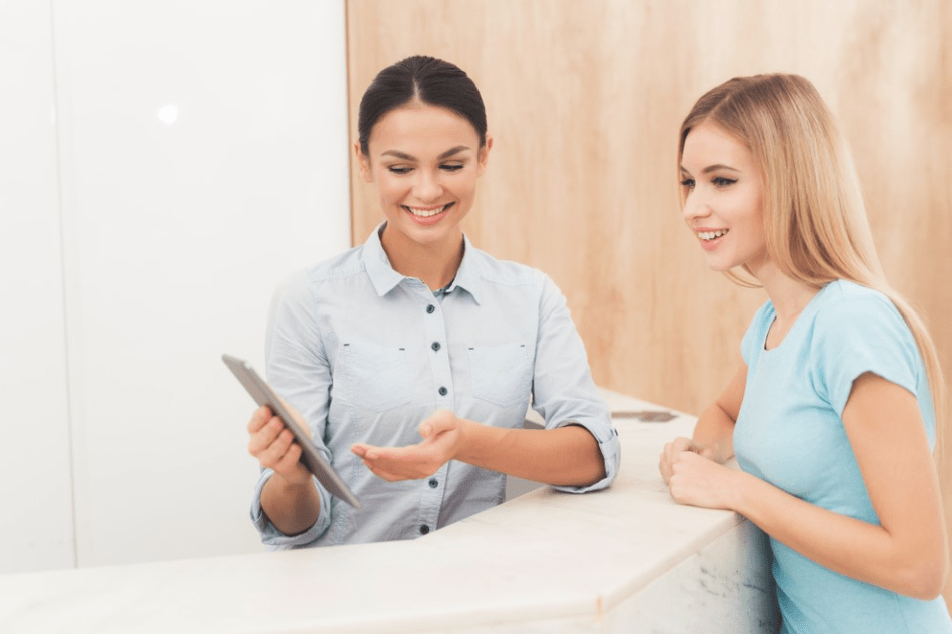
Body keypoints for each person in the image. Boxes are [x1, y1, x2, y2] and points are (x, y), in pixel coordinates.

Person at [245, 55, 620, 548]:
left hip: (480, 594)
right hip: (351, 600)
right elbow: (294, 526)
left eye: (452, 164)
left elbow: (594, 456)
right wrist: (293, 479)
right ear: (363, 160)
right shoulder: (309, 300)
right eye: (400, 167)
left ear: (484, 155)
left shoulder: (530, 298)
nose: (426, 189)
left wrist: (466, 443)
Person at [658, 73, 951, 633]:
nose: (695, 206)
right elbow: (725, 413)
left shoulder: (851, 324)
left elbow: (920, 565)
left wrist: (737, 489)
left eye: (722, 181)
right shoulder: (773, 321)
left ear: (791, 181)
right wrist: (700, 452)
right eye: (688, 182)